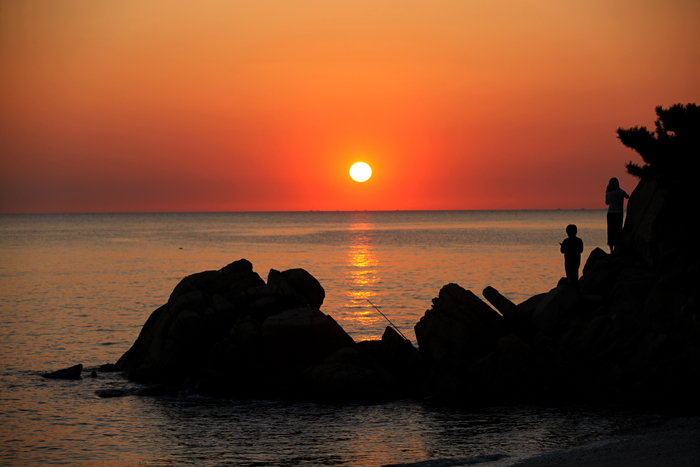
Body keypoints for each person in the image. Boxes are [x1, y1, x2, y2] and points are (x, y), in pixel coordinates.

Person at [605, 177, 629, 254]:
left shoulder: (608, 193)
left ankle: (611, 250)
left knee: (611, 231)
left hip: (611, 213)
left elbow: (606, 203)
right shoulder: (622, 192)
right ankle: (617, 248)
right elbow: (627, 196)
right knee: (618, 230)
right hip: (619, 213)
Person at [560, 224, 584, 290]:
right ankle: (575, 289)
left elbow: (562, 251)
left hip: (569, 261)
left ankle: (572, 289)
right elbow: (581, 250)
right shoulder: (579, 240)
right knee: (575, 275)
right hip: (576, 261)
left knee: (570, 275)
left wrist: (564, 247)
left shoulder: (566, 241)